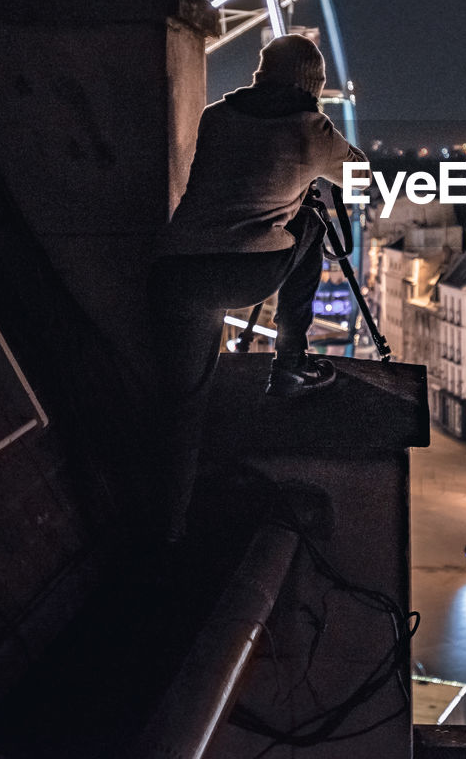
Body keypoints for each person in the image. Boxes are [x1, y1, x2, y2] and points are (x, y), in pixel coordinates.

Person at [148, 34, 365, 544]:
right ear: (311, 86)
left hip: (174, 269)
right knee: (308, 226)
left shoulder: (216, 117)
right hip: (240, 272)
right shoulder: (312, 130)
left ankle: (165, 535)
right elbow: (361, 179)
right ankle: (290, 363)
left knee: (182, 407)